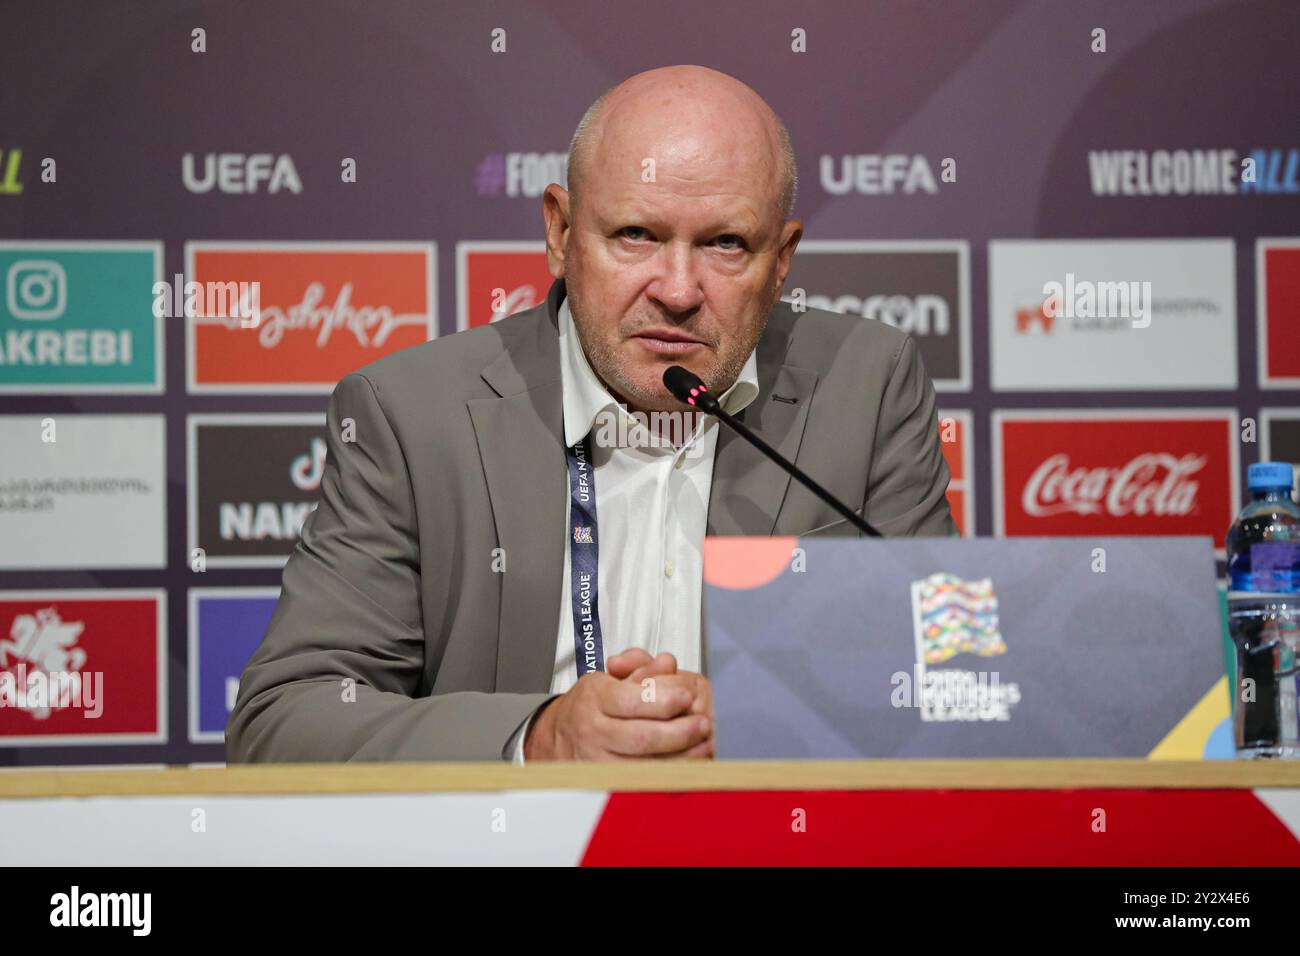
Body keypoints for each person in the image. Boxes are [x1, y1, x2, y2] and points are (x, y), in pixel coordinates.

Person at [226, 64, 956, 765]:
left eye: (726, 244)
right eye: (636, 235)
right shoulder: (412, 418)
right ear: (560, 232)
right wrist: (539, 740)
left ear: (784, 258)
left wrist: (760, 726)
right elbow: (288, 721)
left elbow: (948, 681)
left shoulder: (868, 385)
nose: (677, 289)